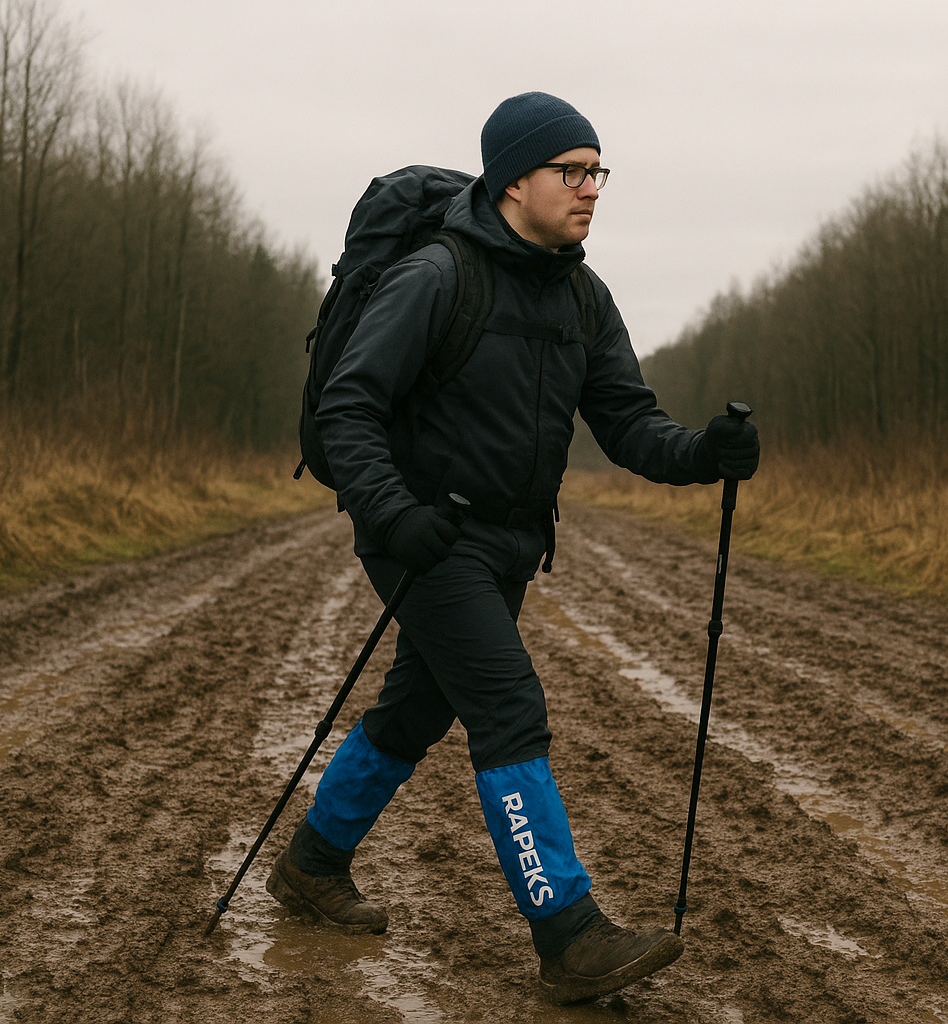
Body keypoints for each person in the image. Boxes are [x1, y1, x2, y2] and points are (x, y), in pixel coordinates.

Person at [266, 91, 760, 1005]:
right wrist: (392, 514)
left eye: (597, 171)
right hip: (422, 535)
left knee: (419, 707)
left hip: (510, 544)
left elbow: (628, 423)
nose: (590, 188)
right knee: (506, 704)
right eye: (571, 170)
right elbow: (348, 406)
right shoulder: (437, 276)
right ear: (512, 182)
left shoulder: (582, 295)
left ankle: (312, 863)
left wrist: (704, 452)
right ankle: (568, 935)